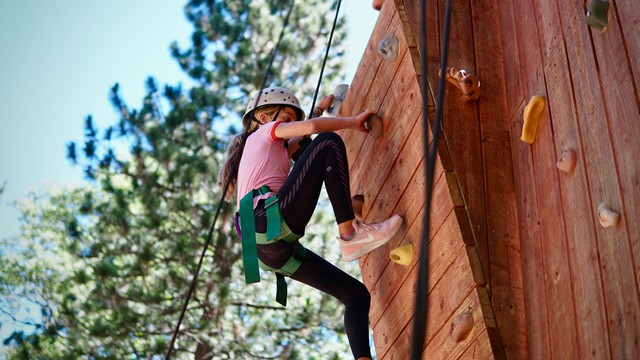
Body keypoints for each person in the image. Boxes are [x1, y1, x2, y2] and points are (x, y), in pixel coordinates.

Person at [219, 87, 403, 360]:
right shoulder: (263, 133)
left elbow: (304, 132)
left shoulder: (271, 149)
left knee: (355, 294)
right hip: (267, 221)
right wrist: (354, 121)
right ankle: (349, 234)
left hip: (267, 252)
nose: (289, 123)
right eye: (286, 117)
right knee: (327, 141)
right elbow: (314, 128)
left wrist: (320, 107)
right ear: (263, 117)